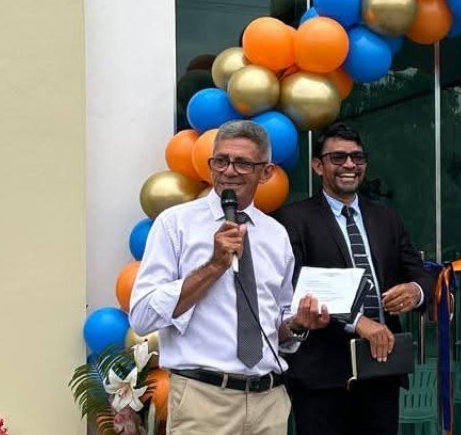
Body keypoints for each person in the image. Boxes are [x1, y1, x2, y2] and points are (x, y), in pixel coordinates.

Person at [129, 120, 330, 435]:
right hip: (204, 400)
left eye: (242, 163)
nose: (229, 171)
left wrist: (297, 324)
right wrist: (214, 265)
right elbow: (142, 317)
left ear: (266, 173)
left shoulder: (276, 235)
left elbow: (275, 325)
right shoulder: (175, 224)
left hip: (269, 402)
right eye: (221, 161)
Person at [273, 122, 435, 435]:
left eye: (357, 157)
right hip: (322, 376)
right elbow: (296, 288)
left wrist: (416, 291)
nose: (349, 165)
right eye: (338, 157)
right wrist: (358, 322)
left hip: (382, 366)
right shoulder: (293, 219)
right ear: (318, 166)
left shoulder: (386, 216)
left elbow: (419, 272)